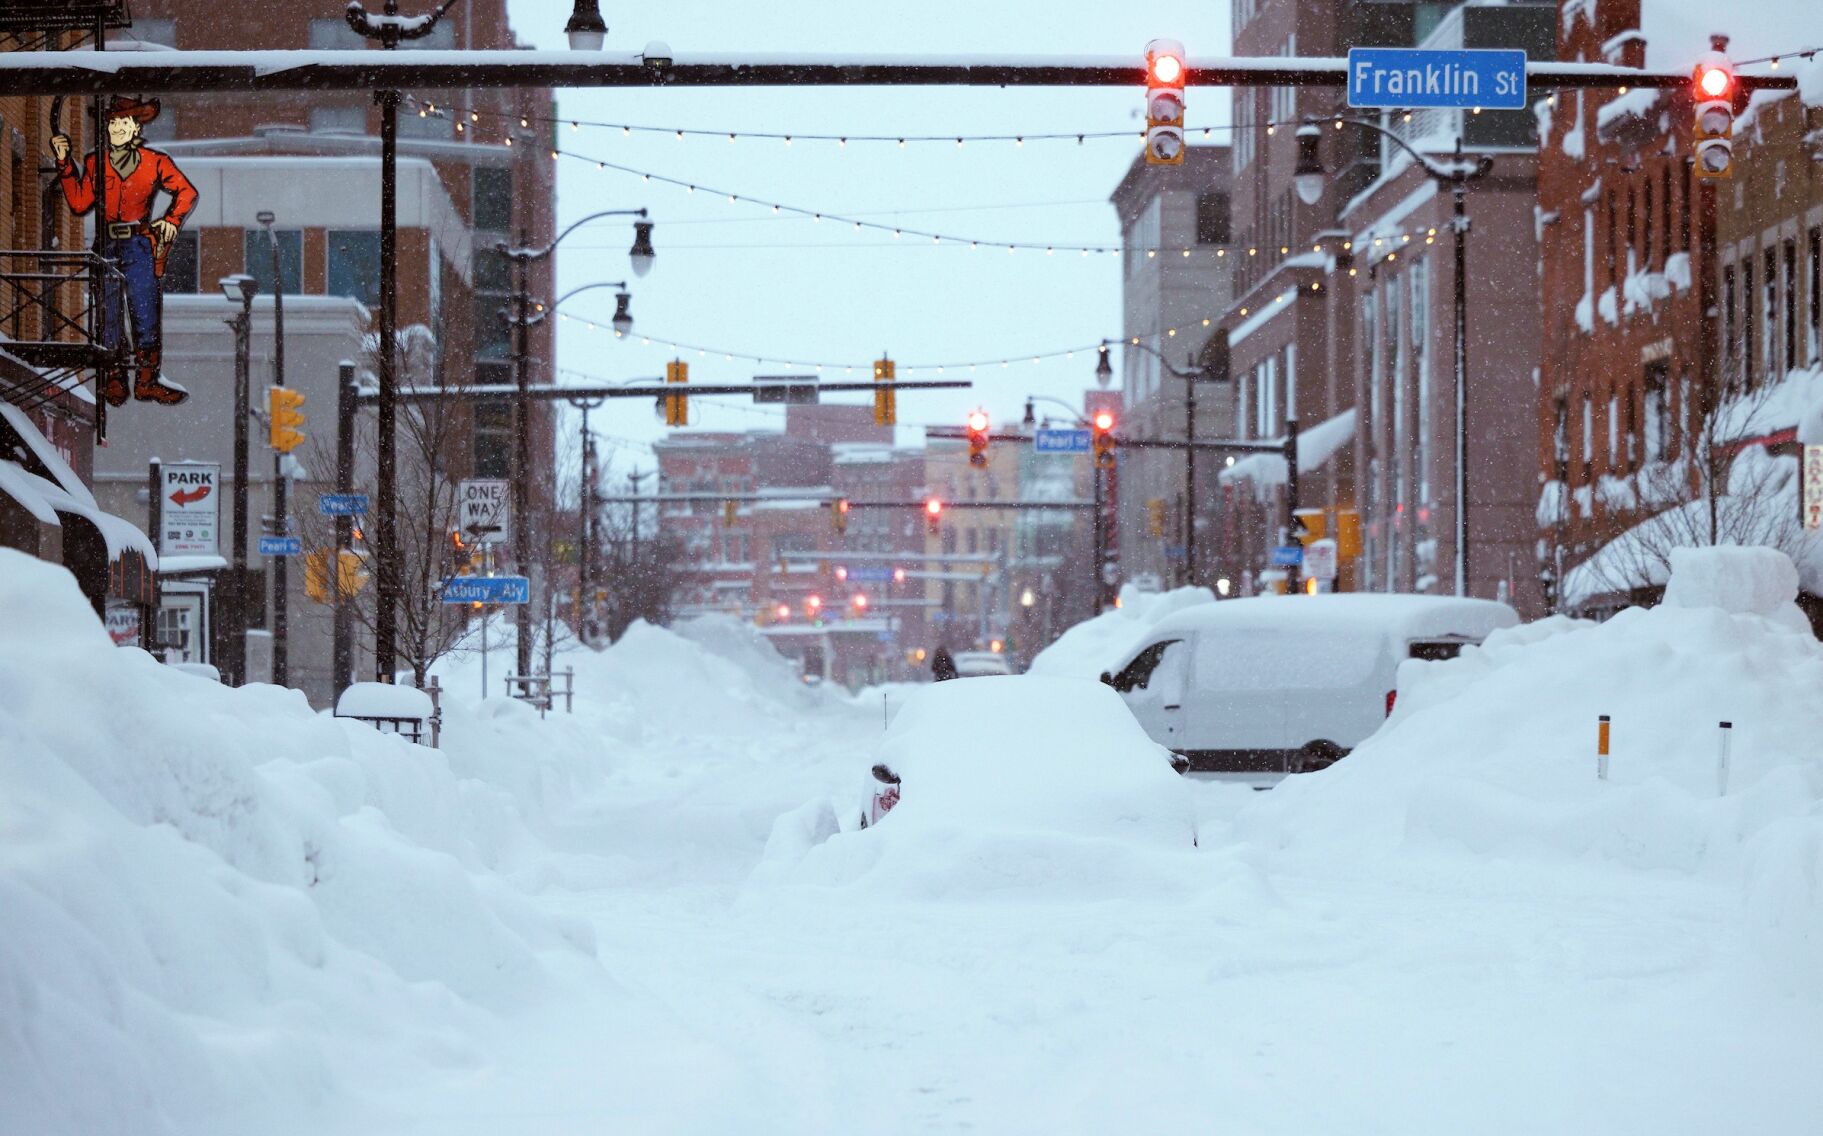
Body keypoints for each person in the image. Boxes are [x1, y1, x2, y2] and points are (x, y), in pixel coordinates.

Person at [51, 95, 197, 407]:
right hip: (106, 244)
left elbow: (187, 192)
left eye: (124, 122)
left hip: (139, 242)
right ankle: (114, 377)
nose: (117, 127)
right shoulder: (95, 162)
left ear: (136, 128)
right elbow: (79, 202)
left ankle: (147, 380)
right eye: (113, 122)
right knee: (108, 310)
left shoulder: (155, 162)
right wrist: (64, 164)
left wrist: (171, 220)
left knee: (144, 308)